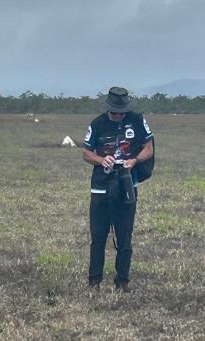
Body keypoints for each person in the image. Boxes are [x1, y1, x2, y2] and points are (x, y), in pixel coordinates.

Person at [82, 87, 154, 292]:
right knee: (98, 236)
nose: (118, 115)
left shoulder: (138, 121)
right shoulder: (97, 124)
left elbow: (149, 149)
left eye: (121, 112)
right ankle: (94, 281)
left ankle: (122, 281)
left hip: (126, 185)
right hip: (100, 187)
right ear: (108, 110)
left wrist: (134, 161)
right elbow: (86, 153)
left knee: (124, 236)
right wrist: (101, 159)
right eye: (115, 112)